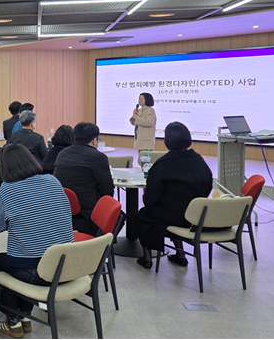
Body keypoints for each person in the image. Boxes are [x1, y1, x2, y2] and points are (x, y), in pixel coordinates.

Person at [0, 144, 74, 338]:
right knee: (24, 259)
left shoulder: (8, 189)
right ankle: (24, 316)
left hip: (37, 274)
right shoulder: (53, 180)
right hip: (66, 268)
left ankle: (13, 320)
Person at [134, 122, 213, 269]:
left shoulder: (163, 163)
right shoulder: (199, 160)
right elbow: (208, 185)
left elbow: (151, 195)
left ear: (167, 140)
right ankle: (180, 255)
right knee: (172, 214)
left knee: (142, 216)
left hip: (170, 215)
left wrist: (151, 206)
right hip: (195, 217)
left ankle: (147, 258)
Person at [53, 122, 115, 236]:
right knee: (118, 216)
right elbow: (107, 189)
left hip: (61, 210)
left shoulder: (62, 153)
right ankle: (103, 244)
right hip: (88, 214)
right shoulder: (98, 157)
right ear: (94, 140)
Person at [129, 93, 157, 159]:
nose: (139, 100)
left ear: (147, 100)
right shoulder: (140, 110)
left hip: (146, 142)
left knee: (146, 161)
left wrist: (137, 117)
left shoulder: (150, 110)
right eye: (139, 99)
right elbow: (133, 123)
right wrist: (134, 116)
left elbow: (149, 123)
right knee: (141, 160)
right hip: (140, 139)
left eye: (142, 99)